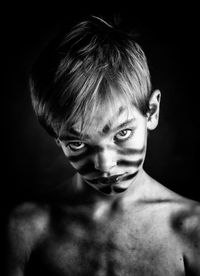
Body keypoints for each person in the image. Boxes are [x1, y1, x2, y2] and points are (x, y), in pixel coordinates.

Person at [6, 15, 200, 275]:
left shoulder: (192, 229)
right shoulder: (26, 230)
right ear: (56, 137)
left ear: (151, 112)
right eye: (76, 143)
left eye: (122, 133)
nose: (105, 165)